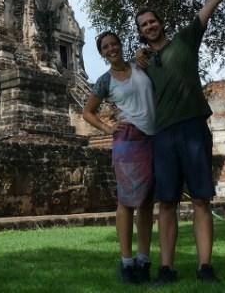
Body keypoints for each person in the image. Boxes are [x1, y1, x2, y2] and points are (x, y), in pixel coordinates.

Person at [135, 0, 225, 285]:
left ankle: (205, 266)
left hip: (193, 127)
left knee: (201, 198)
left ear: (160, 23)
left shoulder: (185, 40)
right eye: (144, 25)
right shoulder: (142, 64)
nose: (150, 26)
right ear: (141, 33)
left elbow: (209, 6)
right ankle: (166, 267)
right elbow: (124, 88)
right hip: (163, 135)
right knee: (167, 202)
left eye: (152, 21)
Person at [83, 31, 156, 285]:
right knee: (126, 201)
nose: (111, 49)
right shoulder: (104, 81)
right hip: (126, 140)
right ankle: (126, 263)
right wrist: (106, 128)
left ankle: (143, 260)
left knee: (146, 202)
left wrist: (141, 53)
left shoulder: (141, 67)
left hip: (152, 138)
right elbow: (88, 112)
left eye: (114, 44)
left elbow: (154, 52)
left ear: (121, 45)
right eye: (106, 47)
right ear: (102, 54)